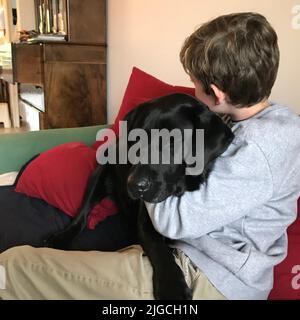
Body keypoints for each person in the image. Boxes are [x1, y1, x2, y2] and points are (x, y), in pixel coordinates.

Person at [0, 12, 300, 300]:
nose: (193, 89)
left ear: (216, 93)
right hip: (187, 255)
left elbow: (174, 221)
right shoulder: (237, 121)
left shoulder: (262, 148)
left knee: (11, 268)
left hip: (212, 280)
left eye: (194, 82)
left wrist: (147, 169)